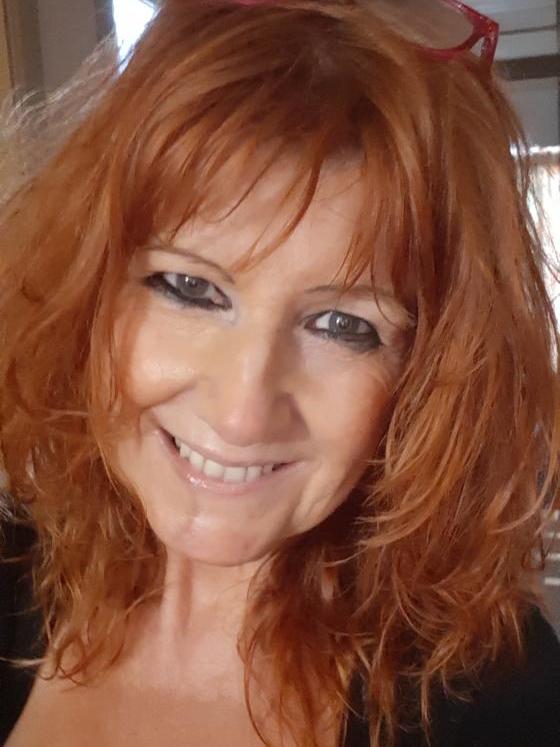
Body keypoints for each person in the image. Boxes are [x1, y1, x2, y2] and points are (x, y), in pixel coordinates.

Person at [1, 0, 559, 745]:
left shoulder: (498, 697)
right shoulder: (10, 569)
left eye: (343, 326)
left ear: (426, 374)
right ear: (87, 293)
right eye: (189, 288)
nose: (242, 413)